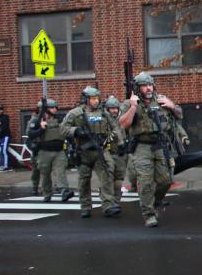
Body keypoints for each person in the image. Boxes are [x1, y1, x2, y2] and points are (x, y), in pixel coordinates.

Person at [117, 72, 182, 227]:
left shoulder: (160, 100)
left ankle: (156, 201)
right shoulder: (130, 103)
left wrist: (172, 106)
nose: (148, 88)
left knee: (166, 181)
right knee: (145, 182)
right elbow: (122, 124)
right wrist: (133, 106)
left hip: (160, 145)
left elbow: (179, 115)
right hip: (142, 147)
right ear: (138, 88)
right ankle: (149, 214)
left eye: (150, 85)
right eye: (144, 86)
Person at [60, 87, 122, 219]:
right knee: (84, 180)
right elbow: (63, 129)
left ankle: (108, 205)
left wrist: (121, 142)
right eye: (93, 98)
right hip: (83, 152)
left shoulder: (104, 113)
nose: (96, 101)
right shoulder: (75, 113)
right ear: (86, 99)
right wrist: (76, 131)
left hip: (100, 149)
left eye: (97, 98)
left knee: (107, 175)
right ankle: (85, 206)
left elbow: (115, 127)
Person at [27, 99, 73, 202]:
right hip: (44, 151)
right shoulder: (36, 121)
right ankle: (47, 193)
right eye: (52, 108)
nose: (55, 109)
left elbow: (66, 133)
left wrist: (73, 144)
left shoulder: (60, 120)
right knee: (45, 173)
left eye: (55, 107)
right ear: (46, 109)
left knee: (60, 171)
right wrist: (41, 129)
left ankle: (64, 190)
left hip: (59, 151)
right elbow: (30, 135)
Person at [104, 96, 129, 207]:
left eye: (116, 108)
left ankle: (116, 202)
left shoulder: (122, 119)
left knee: (119, 180)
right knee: (107, 179)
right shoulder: (103, 120)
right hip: (106, 153)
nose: (114, 110)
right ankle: (108, 203)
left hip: (120, 154)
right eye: (111, 108)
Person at [0, 105, 12, 171]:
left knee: (4, 150)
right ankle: (5, 165)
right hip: (2, 136)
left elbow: (4, 127)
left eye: (0, 109)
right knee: (3, 150)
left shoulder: (5, 117)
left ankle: (6, 166)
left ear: (2, 110)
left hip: (6, 136)